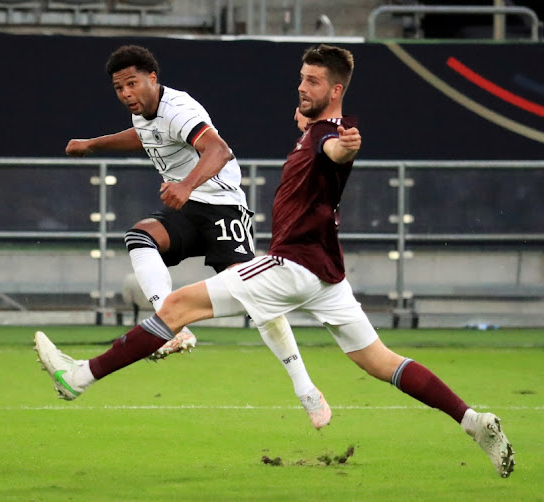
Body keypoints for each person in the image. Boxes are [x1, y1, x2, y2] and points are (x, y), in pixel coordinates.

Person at [38, 43, 515, 478]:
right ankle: (473, 421)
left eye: (311, 81)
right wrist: (315, 132)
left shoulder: (331, 136)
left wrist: (341, 148)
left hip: (294, 266)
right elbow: (320, 143)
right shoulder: (313, 131)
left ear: (335, 89)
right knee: (380, 361)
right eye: (301, 78)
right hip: (328, 274)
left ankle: (79, 377)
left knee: (176, 308)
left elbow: (336, 148)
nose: (301, 87)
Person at [64, 44, 331, 429]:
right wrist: (93, 144)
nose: (126, 94)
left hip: (222, 206)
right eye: (119, 88)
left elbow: (219, 151)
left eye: (132, 84)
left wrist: (186, 185)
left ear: (153, 78)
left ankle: (306, 389)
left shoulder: (179, 109)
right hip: (189, 209)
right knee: (141, 237)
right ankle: (170, 325)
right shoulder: (146, 113)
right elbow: (145, 137)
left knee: (261, 303)